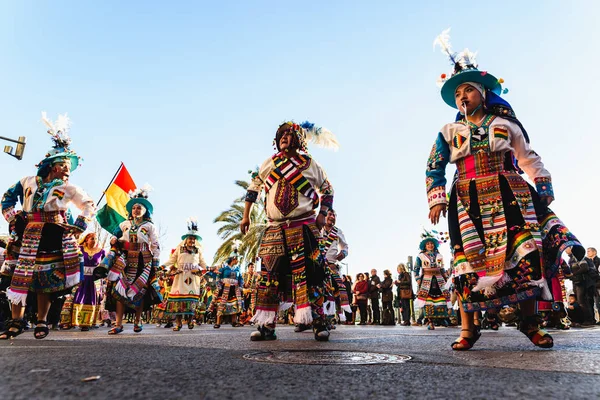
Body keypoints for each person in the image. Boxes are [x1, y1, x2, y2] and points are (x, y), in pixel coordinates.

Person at [428, 30, 585, 350]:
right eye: (458, 94)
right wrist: (437, 197)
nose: (462, 97)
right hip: (467, 203)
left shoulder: (504, 125)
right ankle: (469, 329)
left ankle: (530, 322)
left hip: (510, 194)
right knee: (466, 264)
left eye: (468, 90)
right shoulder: (449, 132)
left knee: (526, 253)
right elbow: (434, 165)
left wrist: (542, 185)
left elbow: (528, 156)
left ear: (483, 93)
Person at [0, 113, 95, 340]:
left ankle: (41, 321)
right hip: (28, 232)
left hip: (54, 234)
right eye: (63, 165)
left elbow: (88, 205)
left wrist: (79, 225)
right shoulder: (27, 182)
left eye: (69, 166)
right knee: (21, 277)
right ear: (52, 166)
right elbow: (7, 198)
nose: (67, 170)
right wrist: (13, 218)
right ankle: (16, 322)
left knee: (45, 279)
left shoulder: (70, 189)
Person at [240, 121, 337, 342]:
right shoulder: (270, 163)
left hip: (304, 226)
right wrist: (246, 215)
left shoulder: (311, 164)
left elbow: (327, 189)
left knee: (313, 275)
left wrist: (323, 212)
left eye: (289, 134)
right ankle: (266, 325)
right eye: (281, 134)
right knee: (269, 278)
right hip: (274, 228)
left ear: (300, 140)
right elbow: (254, 187)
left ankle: (319, 323)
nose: (284, 137)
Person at [105, 185, 161, 334]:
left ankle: (137, 321)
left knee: (140, 290)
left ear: (145, 211)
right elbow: (115, 234)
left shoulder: (149, 226)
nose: (136, 210)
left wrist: (156, 261)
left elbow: (155, 244)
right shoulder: (124, 224)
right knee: (119, 289)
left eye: (139, 208)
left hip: (143, 260)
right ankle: (118, 323)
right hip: (124, 259)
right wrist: (112, 240)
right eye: (134, 207)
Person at [163, 219, 207, 330]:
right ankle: (178, 323)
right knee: (178, 302)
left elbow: (203, 263)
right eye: (190, 238)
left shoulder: (198, 251)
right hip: (180, 278)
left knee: (191, 301)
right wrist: (162, 266)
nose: (192, 240)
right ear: (186, 240)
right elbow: (172, 260)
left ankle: (190, 320)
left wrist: (208, 269)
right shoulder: (179, 249)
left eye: (193, 239)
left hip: (193, 279)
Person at [320, 209, 350, 328]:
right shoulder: (317, 228)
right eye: (330, 214)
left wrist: (343, 253)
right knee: (315, 293)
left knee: (331, 293)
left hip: (332, 266)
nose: (332, 217)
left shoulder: (338, 232)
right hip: (317, 265)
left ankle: (329, 320)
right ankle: (307, 320)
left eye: (334, 215)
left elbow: (345, 246)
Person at [414, 232, 451, 330]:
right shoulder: (420, 256)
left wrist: (447, 278)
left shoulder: (439, 255)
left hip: (439, 279)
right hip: (426, 279)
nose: (430, 245)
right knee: (428, 300)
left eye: (431, 243)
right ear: (425, 246)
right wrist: (417, 278)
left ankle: (442, 318)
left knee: (442, 298)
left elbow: (442, 268)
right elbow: (416, 268)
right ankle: (430, 321)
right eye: (428, 244)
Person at [72, 232, 106, 331]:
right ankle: (79, 321)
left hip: (95, 280)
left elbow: (105, 266)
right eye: (92, 238)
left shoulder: (101, 251)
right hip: (82, 278)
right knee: (80, 298)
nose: (94, 241)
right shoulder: (80, 249)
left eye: (95, 239)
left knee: (93, 299)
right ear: (86, 240)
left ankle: (90, 321)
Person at [210, 250, 244, 328]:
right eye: (237, 259)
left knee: (234, 304)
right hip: (224, 289)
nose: (238, 261)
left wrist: (241, 286)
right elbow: (218, 276)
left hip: (234, 289)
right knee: (221, 304)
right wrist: (219, 286)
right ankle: (218, 322)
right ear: (233, 258)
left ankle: (234, 321)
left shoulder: (238, 269)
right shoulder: (224, 268)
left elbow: (240, 279)